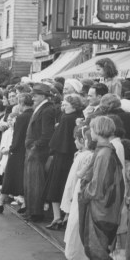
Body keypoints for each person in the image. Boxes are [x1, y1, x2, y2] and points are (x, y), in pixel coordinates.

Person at [78, 116, 126, 260]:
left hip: (102, 204)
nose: (90, 132)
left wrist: (85, 193)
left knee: (97, 236)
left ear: (98, 131)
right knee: (94, 235)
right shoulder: (105, 150)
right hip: (103, 202)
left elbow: (98, 184)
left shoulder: (104, 153)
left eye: (91, 129)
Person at [0, 93, 34, 213]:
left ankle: (0, 202)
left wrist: (10, 149)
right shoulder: (32, 115)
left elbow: (17, 137)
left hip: (17, 152)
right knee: (22, 179)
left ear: (21, 104)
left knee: (9, 178)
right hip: (24, 151)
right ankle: (21, 204)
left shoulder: (22, 117)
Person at [44, 94, 83, 229]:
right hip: (71, 156)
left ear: (73, 105)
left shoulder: (66, 118)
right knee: (68, 186)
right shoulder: (78, 117)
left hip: (61, 156)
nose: (63, 106)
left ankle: (57, 217)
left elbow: (57, 140)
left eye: (65, 104)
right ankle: (66, 216)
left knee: (55, 187)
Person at [21, 83, 56, 222]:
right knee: (30, 183)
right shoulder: (42, 108)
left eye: (35, 95)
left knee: (35, 183)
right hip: (33, 150)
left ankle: (36, 212)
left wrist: (35, 146)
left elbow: (47, 134)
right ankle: (31, 210)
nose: (33, 98)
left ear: (43, 96)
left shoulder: (47, 110)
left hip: (38, 152)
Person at [61, 126, 94, 260]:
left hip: (80, 189)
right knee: (75, 220)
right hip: (76, 190)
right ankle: (73, 250)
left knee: (77, 221)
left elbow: (78, 176)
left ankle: (78, 253)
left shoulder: (88, 156)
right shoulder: (83, 154)